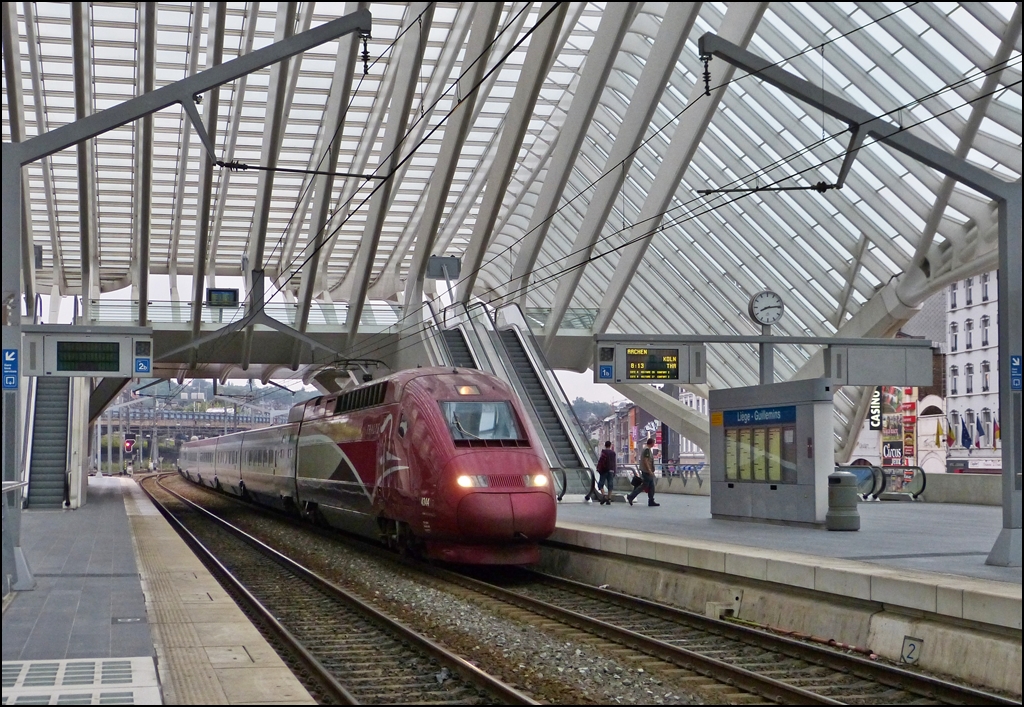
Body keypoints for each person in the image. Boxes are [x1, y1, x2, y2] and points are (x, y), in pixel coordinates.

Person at [627, 437, 659, 507]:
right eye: (653, 443)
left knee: (651, 486)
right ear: (651, 443)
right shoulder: (647, 450)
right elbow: (646, 460)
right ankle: (631, 496)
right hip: (647, 471)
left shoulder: (647, 449)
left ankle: (651, 500)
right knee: (644, 486)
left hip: (647, 471)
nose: (654, 444)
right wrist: (649, 470)